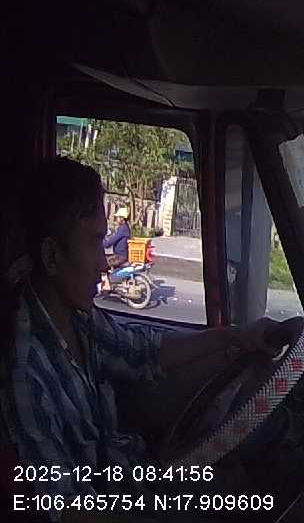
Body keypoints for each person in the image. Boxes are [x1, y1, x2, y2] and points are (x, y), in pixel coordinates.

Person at [0, 157, 286, 521]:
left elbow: (142, 351)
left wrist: (234, 336)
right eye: (94, 243)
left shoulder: (80, 319)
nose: (104, 264)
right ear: (52, 256)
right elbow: (67, 509)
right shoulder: (24, 374)